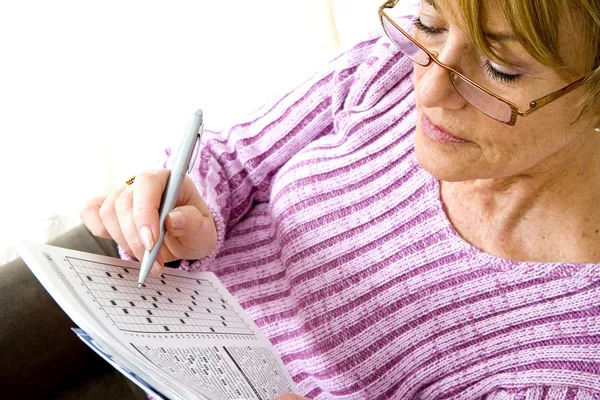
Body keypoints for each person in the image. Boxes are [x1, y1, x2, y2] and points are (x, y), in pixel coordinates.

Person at [79, 0, 600, 398]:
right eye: (430, 24)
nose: (429, 91)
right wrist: (191, 211)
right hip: (139, 329)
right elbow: (232, 157)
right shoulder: (393, 67)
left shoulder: (572, 359)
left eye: (500, 69)